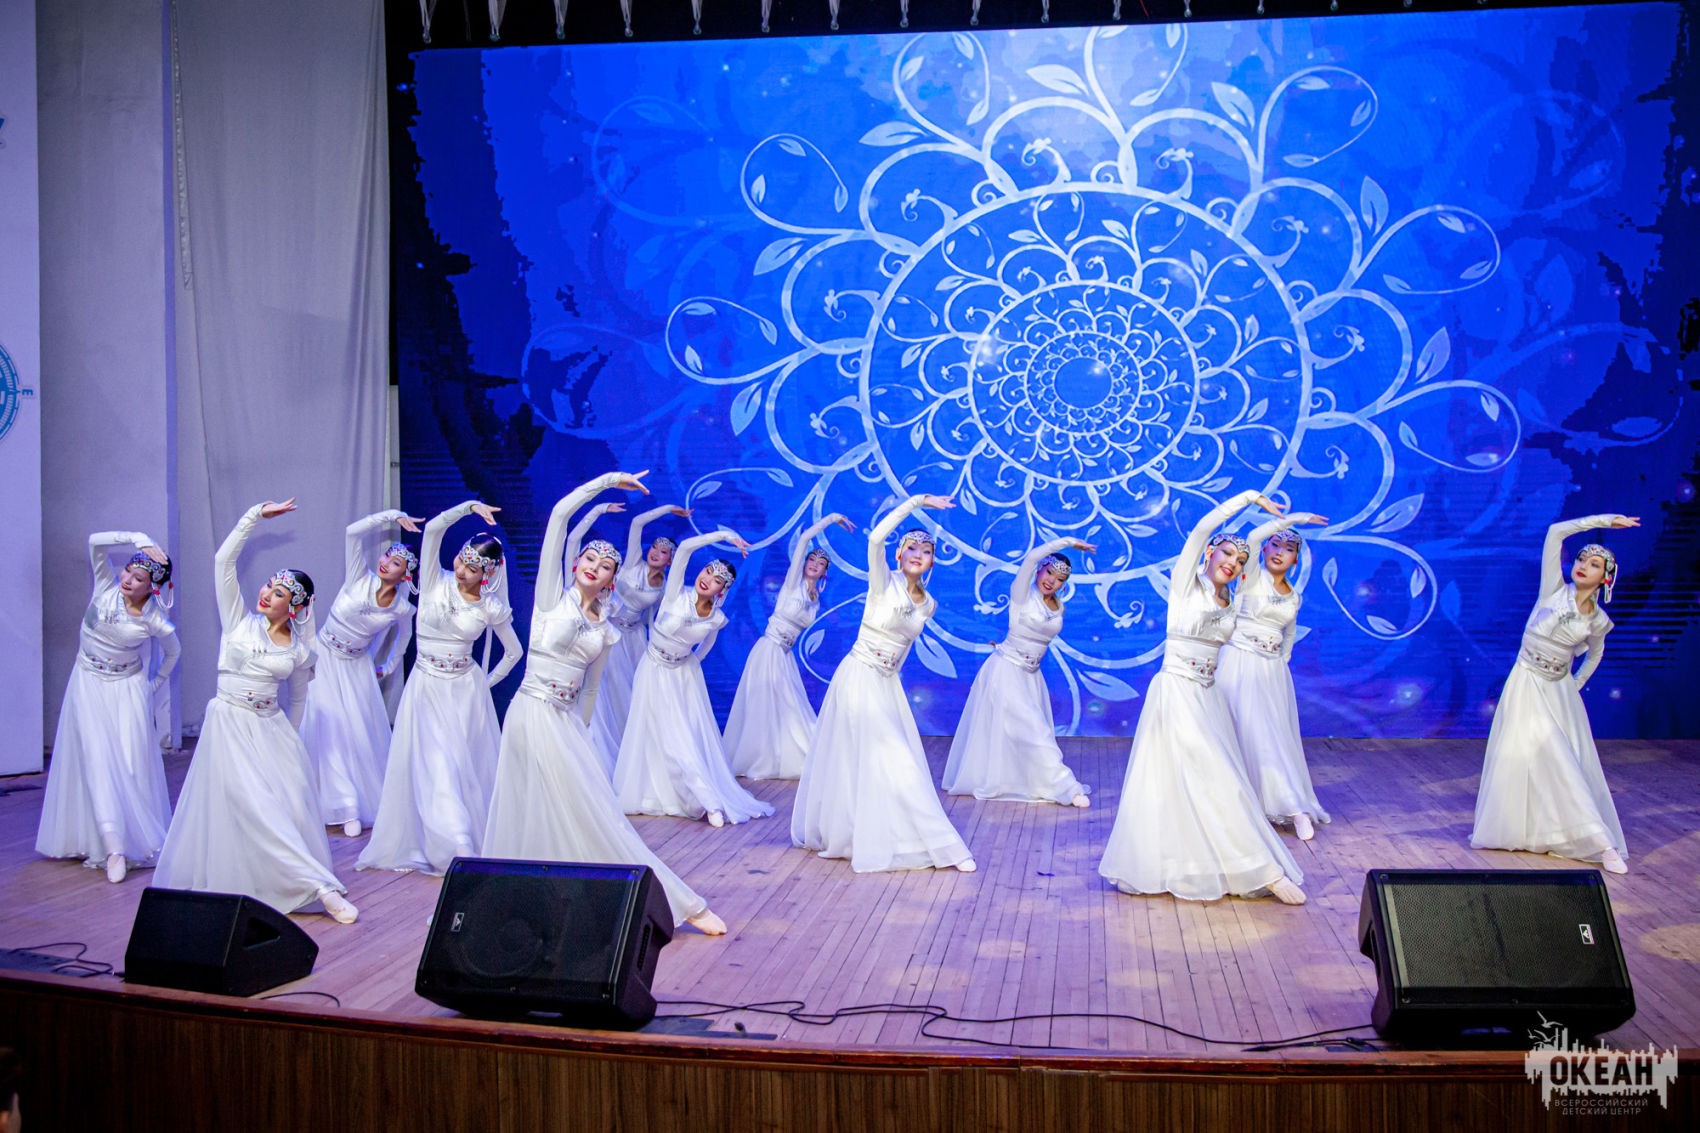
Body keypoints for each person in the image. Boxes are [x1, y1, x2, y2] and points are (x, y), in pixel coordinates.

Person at [484, 470, 728, 934]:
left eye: (606, 564)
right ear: (577, 563)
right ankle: (522, 900)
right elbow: (560, 516)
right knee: (535, 805)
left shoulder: (607, 630)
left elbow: (591, 691)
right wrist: (605, 483)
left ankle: (665, 899)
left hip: (565, 721)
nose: (595, 565)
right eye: (590, 558)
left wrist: (582, 732)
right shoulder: (550, 599)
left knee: (593, 809)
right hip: (530, 711)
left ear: (613, 580)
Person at [1098, 489, 1307, 904]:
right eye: (1226, 553)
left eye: (1240, 560)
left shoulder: (1230, 599)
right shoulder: (1185, 585)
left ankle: (1205, 864)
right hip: (1176, 692)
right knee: (1210, 776)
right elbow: (1200, 529)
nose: (1233, 562)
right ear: (1210, 554)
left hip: (1208, 696)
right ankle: (1262, 871)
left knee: (1206, 778)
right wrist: (1248, 499)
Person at [155, 500, 356, 922]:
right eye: (268, 585)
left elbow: (298, 699)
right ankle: (321, 887)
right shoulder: (238, 622)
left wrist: (289, 742)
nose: (266, 593)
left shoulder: (299, 649)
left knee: (283, 808)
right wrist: (253, 516)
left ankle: (283, 884)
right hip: (229, 723)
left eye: (279, 592)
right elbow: (222, 561)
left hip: (271, 729)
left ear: (294, 607)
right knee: (254, 807)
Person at [792, 493, 976, 873]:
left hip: (885, 683)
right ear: (899, 554)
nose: (918, 554)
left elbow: (904, 648)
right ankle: (939, 844)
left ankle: (892, 835)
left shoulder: (929, 604)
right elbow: (875, 538)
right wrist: (917, 502)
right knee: (880, 756)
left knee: (890, 758)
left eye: (926, 551)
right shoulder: (884, 582)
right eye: (911, 548)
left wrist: (891, 679)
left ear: (932, 562)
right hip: (858, 676)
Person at [358, 500, 521, 875]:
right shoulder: (434, 580)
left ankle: (461, 837)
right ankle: (455, 842)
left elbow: (514, 653)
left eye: (473, 568)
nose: (462, 569)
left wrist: (484, 683)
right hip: (427, 686)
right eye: (462, 560)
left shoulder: (490, 608)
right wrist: (467, 508)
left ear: (487, 574)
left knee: (459, 766)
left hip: (464, 692)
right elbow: (432, 530)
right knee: (437, 763)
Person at [1471, 513, 1639, 873]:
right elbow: (1554, 532)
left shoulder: (1597, 620)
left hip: (1558, 690)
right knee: (1522, 758)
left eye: (1594, 564)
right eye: (1581, 559)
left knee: (1561, 759)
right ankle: (1532, 830)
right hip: (1525, 681)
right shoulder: (1553, 589)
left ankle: (1601, 842)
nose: (1583, 566)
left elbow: (1594, 655)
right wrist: (1604, 522)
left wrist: (1573, 685)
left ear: (1605, 578)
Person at [36, 532, 180, 883]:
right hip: (88, 682)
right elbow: (95, 544)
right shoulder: (105, 586)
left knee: (129, 762)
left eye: (138, 578)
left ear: (152, 587)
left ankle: (129, 839)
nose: (128, 579)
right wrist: (135, 538)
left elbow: (173, 653)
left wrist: (152, 686)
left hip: (127, 688)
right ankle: (112, 846)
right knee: (97, 757)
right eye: (128, 570)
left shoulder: (154, 620)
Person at [613, 528, 774, 826]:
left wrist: (684, 667)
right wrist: (722, 536)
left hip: (681, 677)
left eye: (717, 580)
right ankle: (659, 793)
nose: (707, 579)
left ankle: (708, 800)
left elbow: (704, 649)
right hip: (652, 669)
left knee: (681, 737)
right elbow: (685, 547)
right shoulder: (677, 593)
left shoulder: (716, 618)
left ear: (722, 590)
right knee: (652, 732)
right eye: (707, 571)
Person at [942, 536, 1095, 806]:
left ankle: (1039, 783)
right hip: (1007, 671)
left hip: (1031, 677)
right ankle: (1067, 788)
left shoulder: (1058, 606)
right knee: (1034, 731)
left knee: (1030, 732)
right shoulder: (1022, 593)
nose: (1052, 581)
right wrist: (1067, 542)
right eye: (1049, 572)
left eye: (1060, 579)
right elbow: (1032, 556)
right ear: (1040, 570)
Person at [297, 509, 421, 838]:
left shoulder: (401, 608)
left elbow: (404, 640)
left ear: (405, 575)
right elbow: (353, 532)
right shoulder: (359, 577)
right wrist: (391, 516)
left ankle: (352, 801)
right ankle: (345, 805)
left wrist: (387, 667)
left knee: (354, 735)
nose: (386, 563)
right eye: (387, 556)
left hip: (356, 669)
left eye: (396, 562)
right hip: (324, 658)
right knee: (329, 728)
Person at [1217, 512, 1330, 840]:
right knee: (1243, 735)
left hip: (1270, 672)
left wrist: (1280, 663)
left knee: (1272, 737)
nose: (1280, 552)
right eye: (1275, 545)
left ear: (1296, 560)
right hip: (1238, 664)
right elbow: (1252, 538)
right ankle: (1279, 807)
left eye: (1289, 549)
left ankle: (1288, 805)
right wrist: (1293, 519)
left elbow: (1288, 636)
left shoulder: (1294, 596)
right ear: (1265, 550)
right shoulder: (1252, 577)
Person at [723, 512, 854, 780]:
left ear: (825, 572)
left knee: (787, 706)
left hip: (785, 654)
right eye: (812, 560)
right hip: (769, 649)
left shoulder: (816, 598)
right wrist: (831, 519)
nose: (814, 564)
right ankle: (758, 757)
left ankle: (780, 754)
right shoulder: (793, 584)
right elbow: (804, 539)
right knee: (767, 704)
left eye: (821, 563)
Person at [588, 503, 691, 756]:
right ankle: (599, 741)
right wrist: (668, 509)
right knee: (604, 683)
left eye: (664, 551)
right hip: (609, 628)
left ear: (670, 561)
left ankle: (631, 744)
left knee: (629, 689)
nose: (656, 552)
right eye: (655, 546)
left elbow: (656, 619)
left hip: (633, 637)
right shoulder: (633, 563)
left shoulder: (665, 587)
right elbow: (637, 523)